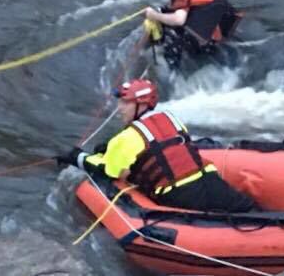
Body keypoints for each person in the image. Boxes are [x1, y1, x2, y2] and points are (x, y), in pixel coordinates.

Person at [58, 79, 257, 212]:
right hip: (210, 180)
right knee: (250, 210)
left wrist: (77, 157)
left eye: (125, 103)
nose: (119, 108)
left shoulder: (128, 137)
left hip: (179, 194)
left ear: (142, 105)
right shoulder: (171, 118)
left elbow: (108, 170)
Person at [143, 0, 241, 69]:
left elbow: (179, 20)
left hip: (204, 40)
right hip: (214, 33)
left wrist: (154, 15)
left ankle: (171, 75)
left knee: (169, 38)